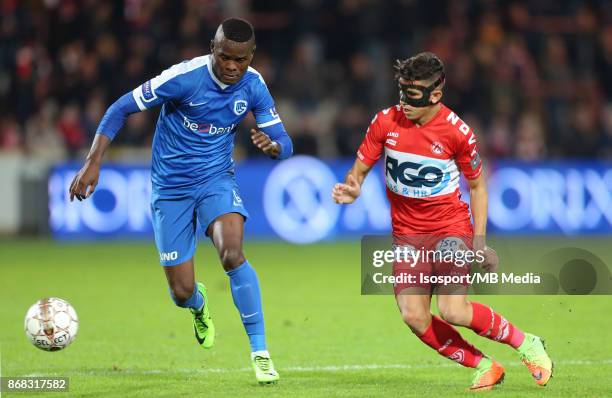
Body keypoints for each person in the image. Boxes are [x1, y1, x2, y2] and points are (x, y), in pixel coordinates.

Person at [69, 18, 291, 384]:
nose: (232, 67)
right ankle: (198, 305)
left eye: (241, 60)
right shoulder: (183, 78)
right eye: (224, 57)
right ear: (212, 48)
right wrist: (93, 162)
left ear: (251, 57)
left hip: (216, 180)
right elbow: (120, 108)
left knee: (232, 253)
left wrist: (276, 147)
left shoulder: (254, 86)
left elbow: (283, 139)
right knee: (181, 291)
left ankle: (261, 352)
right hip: (169, 189)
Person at [332, 52, 552, 391]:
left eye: (413, 94)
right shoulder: (385, 122)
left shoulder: (457, 133)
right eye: (402, 91)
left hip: (450, 229)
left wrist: (478, 242)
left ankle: (527, 343)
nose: (404, 102)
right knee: (413, 316)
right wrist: (352, 187)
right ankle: (485, 365)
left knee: (453, 311)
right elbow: (358, 170)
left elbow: (478, 186)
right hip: (407, 236)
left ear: (436, 94)